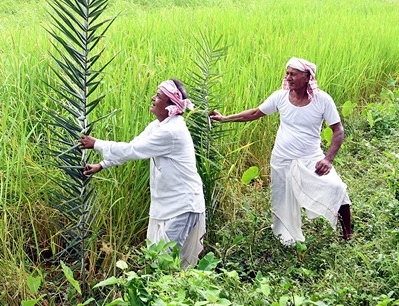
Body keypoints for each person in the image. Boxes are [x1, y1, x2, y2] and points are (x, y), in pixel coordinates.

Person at [209, 57, 352, 245]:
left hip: (311, 158)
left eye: (293, 74)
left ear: (307, 76)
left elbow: (338, 130)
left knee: (337, 188)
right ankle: (287, 240)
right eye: (287, 73)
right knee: (282, 202)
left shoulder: (322, 100)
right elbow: (254, 114)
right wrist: (225, 118)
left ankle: (347, 235)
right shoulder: (280, 97)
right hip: (282, 159)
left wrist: (328, 159)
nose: (288, 77)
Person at [80, 79, 206, 267]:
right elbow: (134, 146)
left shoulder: (172, 131)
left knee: (165, 261)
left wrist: (96, 143)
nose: (153, 98)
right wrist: (102, 165)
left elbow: (132, 150)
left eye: (159, 96)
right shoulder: (158, 126)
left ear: (170, 105)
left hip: (182, 205)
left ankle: (171, 295)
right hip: (168, 204)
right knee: (158, 257)